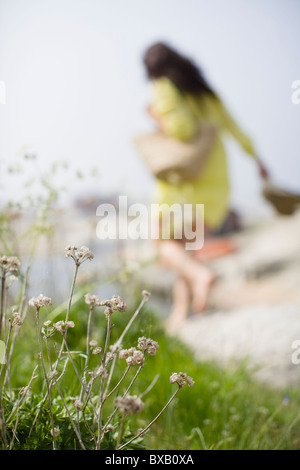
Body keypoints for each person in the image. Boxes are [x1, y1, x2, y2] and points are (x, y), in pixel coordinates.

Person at [143, 42, 269, 330]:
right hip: (215, 182)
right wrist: (258, 161)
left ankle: (201, 277)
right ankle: (181, 313)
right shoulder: (206, 93)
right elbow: (236, 128)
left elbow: (182, 130)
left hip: (184, 183)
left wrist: (157, 116)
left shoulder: (163, 87)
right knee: (186, 249)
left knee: (162, 245)